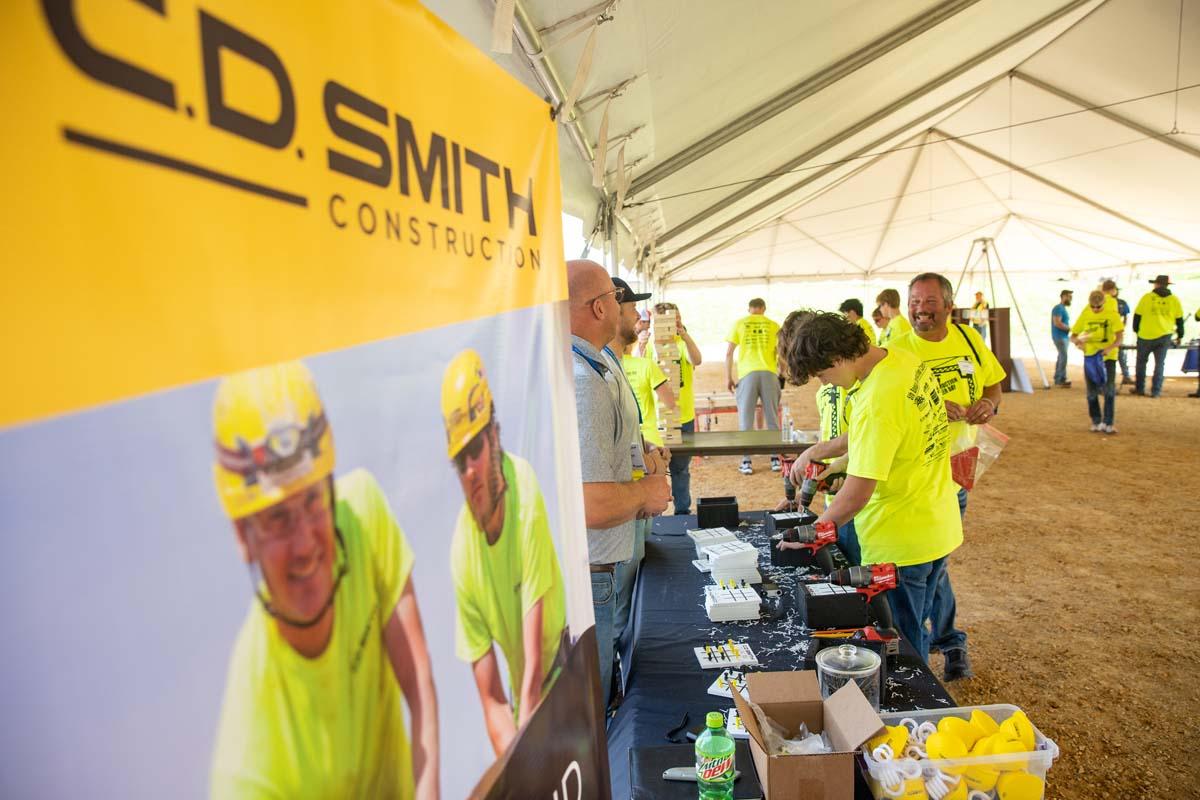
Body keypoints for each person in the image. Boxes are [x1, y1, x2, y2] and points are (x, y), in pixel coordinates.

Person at [210, 362, 439, 799]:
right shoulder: (244, 767)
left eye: (314, 500)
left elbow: (420, 683)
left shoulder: (362, 513)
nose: (304, 544)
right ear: (244, 536)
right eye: (277, 517)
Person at [778, 312, 962, 662]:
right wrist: (831, 460)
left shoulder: (877, 398)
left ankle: (915, 712)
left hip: (900, 540)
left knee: (902, 641)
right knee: (914, 624)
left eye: (823, 374)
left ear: (835, 358)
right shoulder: (900, 360)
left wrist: (811, 532)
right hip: (937, 522)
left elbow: (858, 492)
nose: (828, 384)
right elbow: (887, 438)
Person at [442, 350, 567, 757]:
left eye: (475, 448)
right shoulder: (462, 552)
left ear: (494, 437)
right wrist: (514, 761)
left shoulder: (523, 485)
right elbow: (493, 699)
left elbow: (533, 671)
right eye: (460, 462)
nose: (471, 471)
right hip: (526, 704)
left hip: (563, 673)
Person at [890, 273, 1006, 681]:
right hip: (919, 471)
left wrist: (987, 406)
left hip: (959, 466)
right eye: (914, 301)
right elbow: (889, 402)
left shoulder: (971, 341)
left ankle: (946, 640)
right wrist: (929, 411)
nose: (920, 309)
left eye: (929, 301)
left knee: (937, 561)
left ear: (948, 305)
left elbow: (993, 385)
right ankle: (949, 641)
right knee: (928, 564)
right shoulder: (896, 346)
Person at [567, 260, 671, 707]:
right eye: (614, 296)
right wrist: (646, 493)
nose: (623, 306)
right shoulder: (583, 381)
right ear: (597, 307)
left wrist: (638, 461)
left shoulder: (591, 365)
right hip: (593, 574)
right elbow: (587, 503)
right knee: (596, 704)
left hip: (596, 569)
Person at [650, 301, 702, 515]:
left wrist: (685, 334)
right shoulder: (649, 347)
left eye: (677, 318)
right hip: (657, 421)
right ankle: (656, 513)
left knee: (680, 469)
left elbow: (697, 360)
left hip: (684, 417)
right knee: (655, 470)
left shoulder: (682, 344)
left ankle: (682, 511)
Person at [725, 298, 782, 475]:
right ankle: (775, 459)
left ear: (749, 309)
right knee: (772, 418)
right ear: (764, 308)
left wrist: (729, 377)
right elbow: (781, 353)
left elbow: (729, 353)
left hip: (747, 375)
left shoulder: (740, 323)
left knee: (746, 419)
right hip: (769, 373)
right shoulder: (774, 325)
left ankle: (746, 461)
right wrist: (782, 374)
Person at [1070, 290, 1124, 433]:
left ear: (1103, 303)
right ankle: (1096, 420)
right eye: (1092, 306)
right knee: (1091, 392)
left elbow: (1120, 338)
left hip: (1108, 358)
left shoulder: (1112, 315)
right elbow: (1073, 335)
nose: (1095, 309)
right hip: (1090, 357)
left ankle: (1108, 422)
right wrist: (1078, 342)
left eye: (1098, 307)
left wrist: (1110, 348)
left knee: (1109, 391)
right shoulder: (1086, 313)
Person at [1131, 274, 1185, 398]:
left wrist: (1136, 330)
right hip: (1164, 335)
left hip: (1145, 335)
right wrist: (1180, 335)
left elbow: (1137, 316)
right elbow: (1179, 320)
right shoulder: (1174, 300)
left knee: (1141, 363)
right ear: (1167, 285)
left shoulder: (1147, 297)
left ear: (1156, 284)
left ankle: (1140, 388)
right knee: (1160, 364)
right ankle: (1156, 391)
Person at [1102, 280, 1133, 385]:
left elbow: (1125, 317)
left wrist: (1121, 327)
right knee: (1114, 355)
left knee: (1119, 354)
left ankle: (1125, 375)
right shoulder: (1105, 301)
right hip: (1110, 332)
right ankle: (1122, 376)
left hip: (1114, 332)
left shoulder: (1121, 303)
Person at [1051, 290, 1073, 387]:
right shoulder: (1058, 308)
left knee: (1061, 356)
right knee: (1063, 357)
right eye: (1069, 296)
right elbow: (1057, 323)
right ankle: (1060, 379)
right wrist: (1070, 328)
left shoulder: (1062, 308)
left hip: (1063, 336)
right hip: (1059, 336)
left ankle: (1058, 377)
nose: (1070, 298)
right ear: (1063, 296)